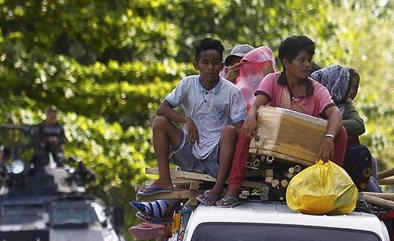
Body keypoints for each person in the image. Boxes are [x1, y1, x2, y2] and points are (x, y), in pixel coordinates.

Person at [217, 35, 347, 207]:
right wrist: (251, 115)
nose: (308, 65)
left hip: (304, 149)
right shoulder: (272, 80)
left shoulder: (317, 89)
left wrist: (329, 137)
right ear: (286, 63)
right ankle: (233, 188)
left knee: (341, 133)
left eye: (309, 60)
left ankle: (329, 187)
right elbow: (256, 105)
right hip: (271, 146)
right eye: (302, 60)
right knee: (248, 126)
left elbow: (335, 114)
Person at [137, 37, 247, 211]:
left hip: (216, 158)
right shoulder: (187, 84)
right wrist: (187, 120)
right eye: (205, 63)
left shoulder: (232, 92)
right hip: (190, 148)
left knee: (229, 130)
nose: (210, 68)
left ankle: (217, 188)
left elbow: (240, 129)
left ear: (221, 66)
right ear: (196, 65)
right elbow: (162, 109)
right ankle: (164, 179)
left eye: (215, 63)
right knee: (160, 123)